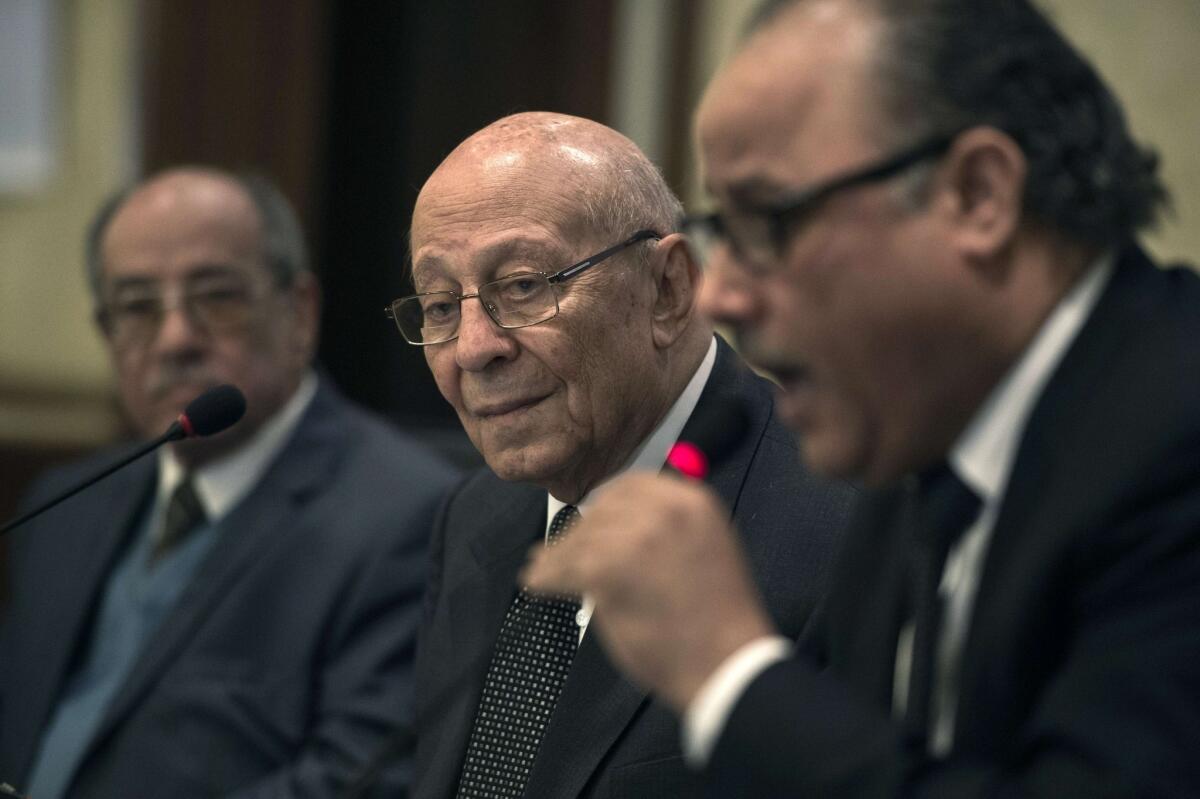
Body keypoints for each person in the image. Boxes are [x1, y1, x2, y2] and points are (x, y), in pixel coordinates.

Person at [524, 0, 1200, 796]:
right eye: (724, 232)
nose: (725, 295)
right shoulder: (912, 448)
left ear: (977, 196)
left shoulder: (1177, 442)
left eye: (769, 222)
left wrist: (728, 672)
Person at [400, 111, 855, 798]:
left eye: (523, 285)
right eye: (439, 305)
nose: (473, 348)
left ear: (667, 289)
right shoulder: (474, 516)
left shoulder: (843, 521)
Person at [0, 167, 459, 798]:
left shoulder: (413, 517)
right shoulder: (60, 506)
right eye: (135, 307)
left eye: (215, 297)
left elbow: (355, 784)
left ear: (299, 314)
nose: (175, 340)